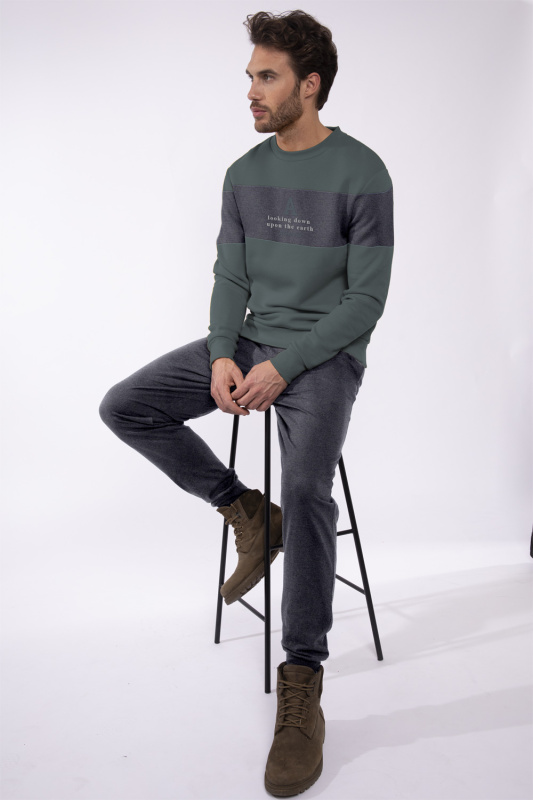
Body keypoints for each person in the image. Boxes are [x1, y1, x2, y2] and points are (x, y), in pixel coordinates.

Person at [99, 8, 394, 797]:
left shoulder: (363, 173)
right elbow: (230, 275)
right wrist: (225, 352)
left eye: (267, 77)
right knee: (125, 405)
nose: (252, 91)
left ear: (310, 84)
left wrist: (284, 367)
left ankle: (301, 685)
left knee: (308, 488)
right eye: (250, 76)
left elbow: (364, 303)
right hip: (250, 343)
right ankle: (244, 510)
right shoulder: (242, 172)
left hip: (324, 358)